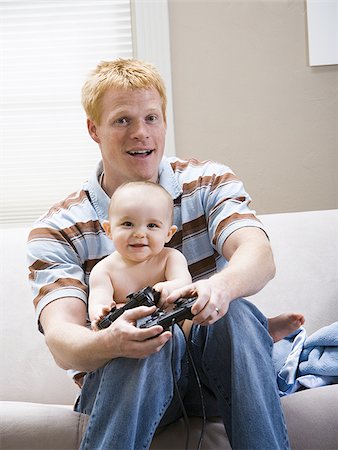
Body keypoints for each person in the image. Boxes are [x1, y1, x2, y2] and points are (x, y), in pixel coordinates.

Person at [27, 58, 292, 449]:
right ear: (93, 130)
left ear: (165, 122)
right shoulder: (57, 228)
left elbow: (258, 254)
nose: (141, 134)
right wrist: (111, 341)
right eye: (122, 121)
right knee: (144, 337)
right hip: (126, 385)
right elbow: (62, 340)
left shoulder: (208, 182)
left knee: (234, 313)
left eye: (152, 118)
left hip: (217, 373)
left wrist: (217, 290)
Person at [89, 179, 305, 346]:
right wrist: (102, 312)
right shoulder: (104, 270)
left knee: (212, 309)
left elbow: (183, 282)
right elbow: (98, 304)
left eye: (152, 226)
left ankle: (262, 329)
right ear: (108, 230)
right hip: (136, 333)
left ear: (168, 233)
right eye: (127, 224)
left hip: (181, 327)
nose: (140, 234)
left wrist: (168, 287)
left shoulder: (169, 257)